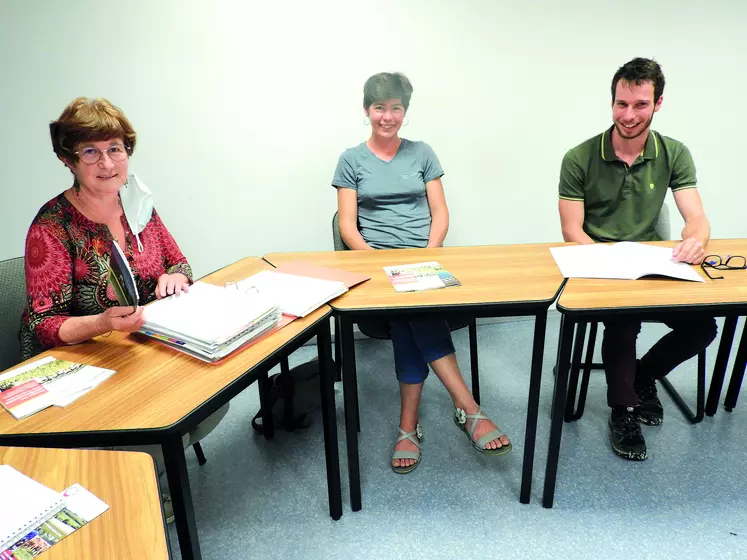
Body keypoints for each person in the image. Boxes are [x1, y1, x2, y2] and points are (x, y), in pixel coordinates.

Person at [20, 97, 228, 520]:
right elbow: (42, 324)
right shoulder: (52, 225)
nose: (107, 162)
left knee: (215, 385)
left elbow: (178, 260)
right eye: (90, 151)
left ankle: (146, 466)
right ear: (69, 161)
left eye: (115, 148)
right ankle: (131, 484)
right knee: (157, 412)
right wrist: (100, 322)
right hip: (88, 359)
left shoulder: (136, 203)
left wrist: (177, 277)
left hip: (143, 344)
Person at [333, 72, 511, 474]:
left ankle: (408, 428)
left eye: (396, 108)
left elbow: (440, 211)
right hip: (377, 266)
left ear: (405, 112)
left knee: (411, 314)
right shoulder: (350, 160)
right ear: (366, 111)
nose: (387, 116)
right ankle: (468, 408)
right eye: (380, 107)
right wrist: (376, 263)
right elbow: (347, 225)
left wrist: (430, 255)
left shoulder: (423, 152)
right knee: (414, 313)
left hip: (426, 261)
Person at [557, 58, 717, 461]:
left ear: (658, 103)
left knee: (702, 328)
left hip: (652, 263)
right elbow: (572, 230)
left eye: (640, 105)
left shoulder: (674, 152)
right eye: (621, 104)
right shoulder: (579, 157)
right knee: (623, 323)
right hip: (599, 263)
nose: (629, 115)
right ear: (612, 101)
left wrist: (695, 240)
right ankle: (623, 409)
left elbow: (695, 217)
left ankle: (644, 376)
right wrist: (608, 263)